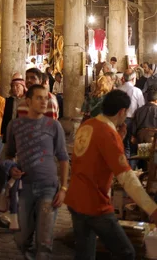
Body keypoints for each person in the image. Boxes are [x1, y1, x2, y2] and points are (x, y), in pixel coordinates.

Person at [66, 89, 157, 260]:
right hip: (95, 204)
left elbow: (94, 157)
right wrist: (151, 209)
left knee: (84, 253)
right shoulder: (108, 134)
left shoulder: (88, 124)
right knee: (126, 252)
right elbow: (126, 178)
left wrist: (118, 138)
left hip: (75, 198)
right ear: (122, 112)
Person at [6, 84, 69, 259]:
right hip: (24, 188)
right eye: (39, 98)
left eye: (46, 98)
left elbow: (63, 158)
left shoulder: (54, 126)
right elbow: (9, 155)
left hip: (48, 188)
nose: (44, 102)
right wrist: (11, 169)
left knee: (45, 241)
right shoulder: (15, 125)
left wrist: (63, 188)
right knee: (21, 238)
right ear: (28, 101)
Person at [118, 69, 145, 162]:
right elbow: (141, 108)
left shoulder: (118, 90)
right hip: (132, 121)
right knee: (131, 146)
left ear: (123, 78)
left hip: (118, 121)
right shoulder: (137, 91)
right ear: (134, 78)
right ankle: (130, 169)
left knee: (120, 145)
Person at [1, 74, 26, 143]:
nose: (15, 88)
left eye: (17, 86)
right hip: (10, 133)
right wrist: (3, 132)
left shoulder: (27, 100)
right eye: (13, 86)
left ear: (23, 86)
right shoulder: (9, 100)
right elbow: (5, 117)